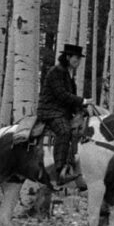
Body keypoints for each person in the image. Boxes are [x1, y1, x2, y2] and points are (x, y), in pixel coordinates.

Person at [38, 43, 91, 184]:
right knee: (64, 131)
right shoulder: (56, 71)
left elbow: (70, 99)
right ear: (67, 57)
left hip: (61, 112)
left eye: (80, 59)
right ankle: (60, 172)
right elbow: (62, 95)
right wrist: (83, 101)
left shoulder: (69, 75)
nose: (78, 62)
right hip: (50, 111)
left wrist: (80, 109)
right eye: (76, 59)